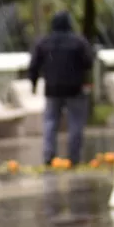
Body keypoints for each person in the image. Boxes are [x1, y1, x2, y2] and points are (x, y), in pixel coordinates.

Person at [28, 10, 95, 167]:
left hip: (52, 89)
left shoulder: (44, 42)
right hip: (75, 89)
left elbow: (34, 65)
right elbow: (89, 62)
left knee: (50, 122)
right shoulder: (78, 42)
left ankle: (49, 155)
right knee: (75, 123)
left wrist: (33, 83)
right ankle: (74, 157)